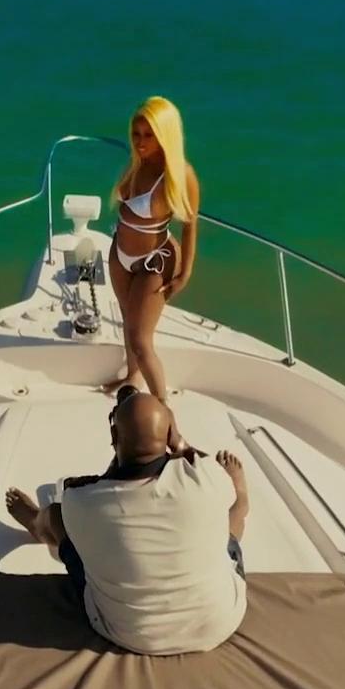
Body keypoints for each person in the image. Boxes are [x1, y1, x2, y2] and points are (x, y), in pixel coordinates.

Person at [4, 390, 249, 656]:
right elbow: (200, 461)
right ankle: (243, 497)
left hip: (128, 633)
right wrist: (178, 441)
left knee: (55, 516)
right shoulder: (209, 479)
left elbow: (105, 487)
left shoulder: (80, 502)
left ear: (113, 436)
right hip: (219, 622)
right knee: (225, 523)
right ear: (169, 433)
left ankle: (38, 525)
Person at [104, 96, 201, 454]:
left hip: (154, 261)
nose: (141, 141)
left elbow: (190, 224)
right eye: (136, 133)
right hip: (121, 254)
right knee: (126, 319)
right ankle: (131, 377)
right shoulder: (136, 163)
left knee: (141, 340)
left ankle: (168, 423)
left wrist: (185, 272)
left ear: (166, 135)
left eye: (149, 135)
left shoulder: (180, 174)